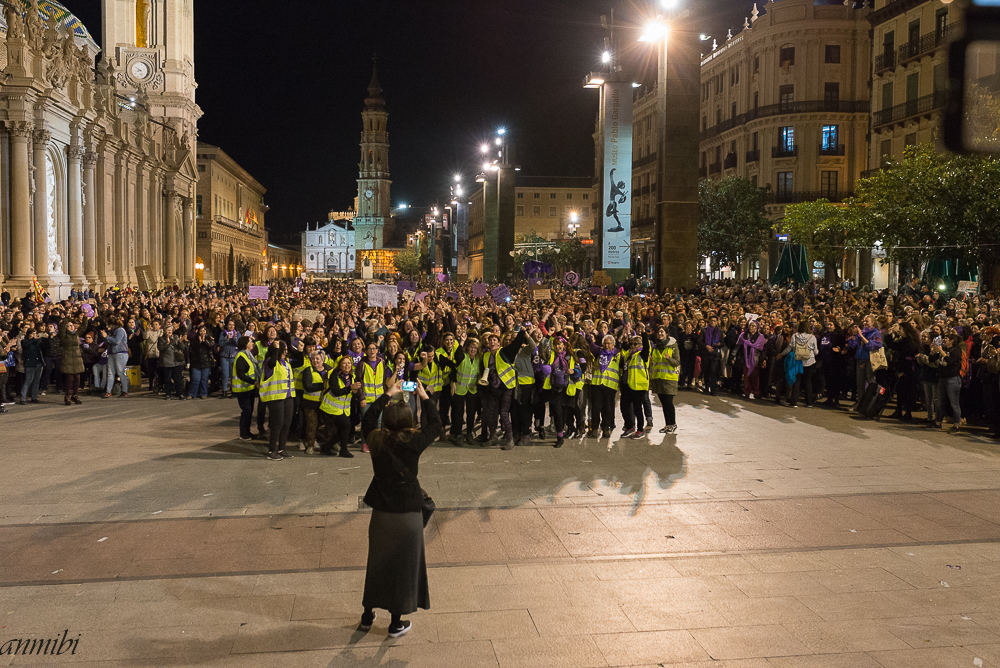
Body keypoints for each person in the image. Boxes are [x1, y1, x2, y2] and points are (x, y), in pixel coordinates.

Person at [359, 376, 440, 638]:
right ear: (409, 421)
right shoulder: (414, 442)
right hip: (408, 515)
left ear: (386, 421)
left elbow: (368, 420)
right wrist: (425, 398)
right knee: (403, 567)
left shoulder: (376, 440)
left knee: (376, 565)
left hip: (381, 514)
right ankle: (395, 623)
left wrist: (387, 394)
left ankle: (367, 616)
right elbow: (435, 425)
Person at [259, 341, 296, 460]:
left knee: (286, 423)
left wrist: (299, 350)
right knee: (277, 424)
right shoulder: (269, 362)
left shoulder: (286, 363)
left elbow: (299, 361)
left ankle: (281, 449)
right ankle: (272, 450)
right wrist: (275, 349)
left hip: (288, 396)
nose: (286, 352)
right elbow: (272, 363)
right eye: (284, 350)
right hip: (276, 397)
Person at [319, 355, 360, 458]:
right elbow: (336, 391)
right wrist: (350, 388)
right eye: (344, 363)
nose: (347, 365)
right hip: (331, 408)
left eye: (349, 363)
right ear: (340, 365)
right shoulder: (334, 375)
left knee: (344, 429)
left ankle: (326, 447)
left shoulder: (352, 377)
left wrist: (356, 392)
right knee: (346, 426)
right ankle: (343, 450)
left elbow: (355, 394)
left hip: (344, 409)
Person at [650, 325, 680, 433]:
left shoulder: (672, 346)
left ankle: (673, 424)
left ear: (666, 333)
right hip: (658, 379)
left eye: (662, 332)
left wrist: (669, 358)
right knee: (664, 404)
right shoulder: (655, 347)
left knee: (668, 403)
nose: (660, 334)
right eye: (658, 332)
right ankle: (668, 425)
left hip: (669, 379)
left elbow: (677, 362)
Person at [620, 333, 650, 438]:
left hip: (638, 386)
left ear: (640, 345)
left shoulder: (642, 355)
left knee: (637, 409)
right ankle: (629, 427)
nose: (632, 346)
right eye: (631, 344)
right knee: (624, 407)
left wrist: (644, 335)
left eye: (635, 344)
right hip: (627, 385)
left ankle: (640, 430)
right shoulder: (629, 355)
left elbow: (647, 347)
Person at [58, 308, 89, 406]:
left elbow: (83, 327)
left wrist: (85, 316)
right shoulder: (63, 335)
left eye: (72, 325)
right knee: (69, 379)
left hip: (77, 359)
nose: (72, 327)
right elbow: (61, 328)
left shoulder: (76, 334)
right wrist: (67, 318)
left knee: (77, 378)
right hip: (68, 358)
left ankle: (75, 395)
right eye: (69, 326)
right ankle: (67, 395)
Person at [232, 336, 260, 441]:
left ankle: (247, 432)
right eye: (250, 341)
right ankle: (243, 433)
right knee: (246, 410)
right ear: (245, 344)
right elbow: (241, 374)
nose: (252, 343)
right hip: (242, 390)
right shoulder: (241, 356)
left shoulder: (248, 355)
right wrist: (254, 382)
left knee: (249, 411)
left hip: (249, 389)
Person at [737, 320, 766, 399]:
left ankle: (756, 392)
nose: (751, 327)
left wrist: (763, 359)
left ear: (757, 328)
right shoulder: (744, 335)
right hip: (746, 359)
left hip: (755, 359)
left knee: (755, 378)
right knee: (746, 377)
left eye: (753, 326)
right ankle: (747, 392)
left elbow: (762, 349)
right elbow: (738, 346)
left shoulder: (760, 337)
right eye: (750, 325)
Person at [157, 324, 186, 400]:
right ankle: (168, 394)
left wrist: (180, 342)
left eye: (171, 330)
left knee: (178, 379)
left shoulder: (176, 337)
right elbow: (160, 348)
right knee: (167, 379)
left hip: (177, 361)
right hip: (167, 362)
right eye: (168, 330)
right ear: (164, 331)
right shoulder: (161, 339)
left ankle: (180, 393)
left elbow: (183, 347)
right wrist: (167, 343)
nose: (169, 331)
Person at [102, 318, 130, 397]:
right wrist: (104, 337)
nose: (107, 326)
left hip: (121, 353)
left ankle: (125, 391)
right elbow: (108, 342)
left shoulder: (120, 330)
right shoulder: (111, 332)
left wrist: (107, 337)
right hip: (111, 353)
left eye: (108, 324)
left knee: (120, 372)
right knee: (110, 373)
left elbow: (117, 341)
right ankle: (108, 391)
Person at [187, 325, 214, 399]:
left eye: (204, 331)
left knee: (204, 379)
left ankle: (203, 393)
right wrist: (199, 342)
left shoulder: (209, 338)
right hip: (196, 362)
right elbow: (192, 349)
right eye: (201, 331)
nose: (202, 332)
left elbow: (210, 346)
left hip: (206, 361)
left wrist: (204, 341)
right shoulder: (194, 339)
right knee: (195, 379)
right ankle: (192, 393)